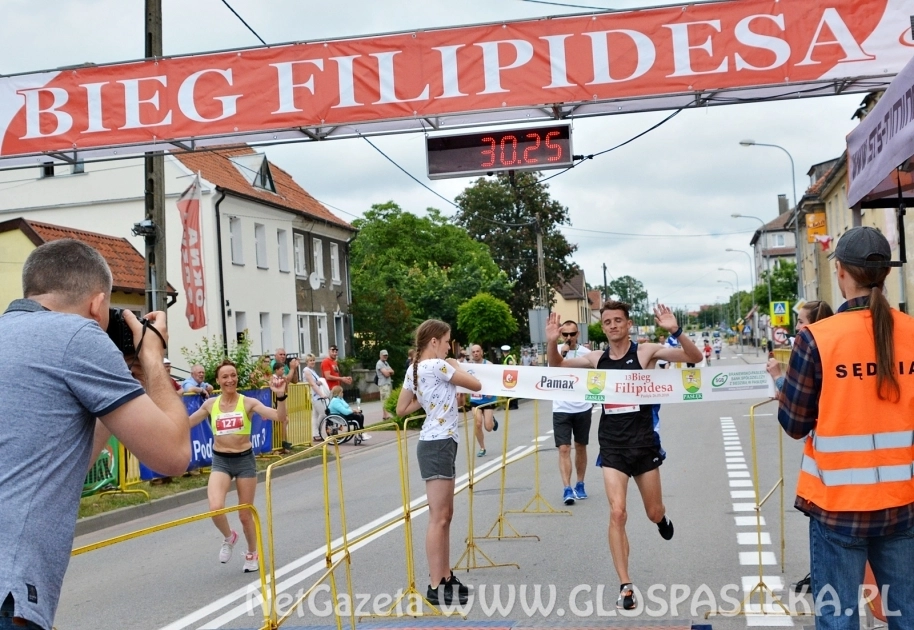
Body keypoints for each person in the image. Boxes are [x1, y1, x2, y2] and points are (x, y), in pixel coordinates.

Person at [0, 239, 191, 630]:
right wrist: (153, 358)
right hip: (10, 591)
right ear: (97, 304)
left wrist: (115, 388)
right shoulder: (76, 335)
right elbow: (172, 455)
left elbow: (59, 465)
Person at [777, 226, 914, 629]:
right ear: (886, 274)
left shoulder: (818, 338)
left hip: (839, 509)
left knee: (838, 618)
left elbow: (794, 423)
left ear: (841, 272)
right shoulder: (911, 331)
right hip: (902, 504)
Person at [545, 302, 702, 611]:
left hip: (644, 445)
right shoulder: (595, 358)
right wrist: (552, 341)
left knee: (653, 512)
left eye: (618, 320)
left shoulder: (645, 352)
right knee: (617, 513)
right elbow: (558, 367)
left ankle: (661, 519)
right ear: (602, 327)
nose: (613, 325)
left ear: (629, 324)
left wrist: (675, 330)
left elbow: (694, 358)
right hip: (613, 446)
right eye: (607, 321)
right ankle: (625, 585)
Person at [396, 319, 481, 607]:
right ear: (434, 342)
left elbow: (402, 407)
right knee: (439, 517)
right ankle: (435, 584)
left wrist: (429, 396)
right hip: (439, 441)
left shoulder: (415, 369)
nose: (449, 347)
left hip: (437, 440)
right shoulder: (440, 366)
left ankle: (445, 577)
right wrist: (456, 365)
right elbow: (476, 384)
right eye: (447, 341)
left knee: (445, 515)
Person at [186, 359, 287, 573]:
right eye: (225, 376)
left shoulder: (248, 403)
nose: (230, 380)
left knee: (244, 514)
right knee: (215, 508)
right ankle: (229, 536)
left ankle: (252, 552)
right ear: (218, 381)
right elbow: (186, 423)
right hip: (220, 460)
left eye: (233, 375)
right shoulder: (210, 405)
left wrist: (280, 395)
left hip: (244, 461)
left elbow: (279, 417)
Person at [553, 320, 594, 505]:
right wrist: (561, 355)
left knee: (580, 447)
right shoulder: (555, 353)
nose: (569, 338)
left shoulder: (588, 354)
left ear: (578, 334)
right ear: (562, 336)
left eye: (572, 334)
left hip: (582, 407)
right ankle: (566, 489)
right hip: (561, 407)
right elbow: (549, 375)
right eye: (565, 335)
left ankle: (580, 483)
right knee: (564, 448)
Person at [766, 300, 835, 392]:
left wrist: (777, 376)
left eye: (800, 322)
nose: (796, 327)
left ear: (815, 323)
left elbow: (795, 394)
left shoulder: (808, 351)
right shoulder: (835, 346)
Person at [467, 344, 499, 457]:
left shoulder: (488, 365)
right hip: (475, 399)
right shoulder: (468, 366)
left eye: (478, 351)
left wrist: (492, 391)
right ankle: (482, 447)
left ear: (482, 352)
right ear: (471, 354)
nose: (476, 353)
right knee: (478, 424)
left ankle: (493, 421)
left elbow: (496, 380)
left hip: (488, 399)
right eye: (474, 352)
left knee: (488, 427)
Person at [271, 347, 300, 452]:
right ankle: (280, 444)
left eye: (284, 354)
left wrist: (295, 369)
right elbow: (286, 380)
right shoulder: (274, 365)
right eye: (281, 354)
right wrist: (292, 369)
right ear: (276, 356)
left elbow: (294, 381)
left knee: (284, 420)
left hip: (282, 397)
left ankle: (283, 443)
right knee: (281, 420)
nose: (283, 356)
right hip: (274, 397)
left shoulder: (285, 366)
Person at [301, 353, 328, 443]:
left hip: (315, 395)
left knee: (315, 415)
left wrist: (318, 382)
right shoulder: (306, 370)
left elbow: (315, 382)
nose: (312, 362)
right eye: (310, 360)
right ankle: (317, 432)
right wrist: (321, 394)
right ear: (306, 362)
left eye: (313, 360)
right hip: (314, 395)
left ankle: (315, 434)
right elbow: (312, 384)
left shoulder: (312, 370)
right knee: (323, 414)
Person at [375, 349, 395, 420]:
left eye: (386, 355)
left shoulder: (386, 363)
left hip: (388, 383)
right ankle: (386, 415)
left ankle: (385, 415)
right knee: (385, 399)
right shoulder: (379, 363)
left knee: (387, 398)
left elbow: (393, 371)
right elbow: (386, 374)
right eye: (384, 355)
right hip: (383, 384)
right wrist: (388, 371)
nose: (385, 356)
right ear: (380, 355)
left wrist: (389, 371)